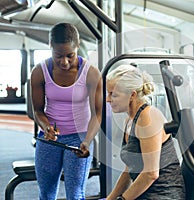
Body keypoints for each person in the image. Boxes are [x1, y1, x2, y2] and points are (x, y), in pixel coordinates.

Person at [30, 22, 102, 200]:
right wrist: (46, 127)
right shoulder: (40, 71)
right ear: (50, 47)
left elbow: (98, 113)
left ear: (78, 47)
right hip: (49, 139)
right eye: (58, 56)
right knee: (46, 193)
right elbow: (38, 110)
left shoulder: (91, 72)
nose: (65, 62)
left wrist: (87, 140)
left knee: (75, 193)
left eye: (70, 55)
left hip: (79, 137)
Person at [105, 65, 185, 200]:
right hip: (144, 194)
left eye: (113, 94)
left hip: (164, 196)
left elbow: (151, 174)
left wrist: (122, 199)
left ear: (132, 95)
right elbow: (129, 170)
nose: (108, 99)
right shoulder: (129, 120)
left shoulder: (148, 117)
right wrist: (110, 199)